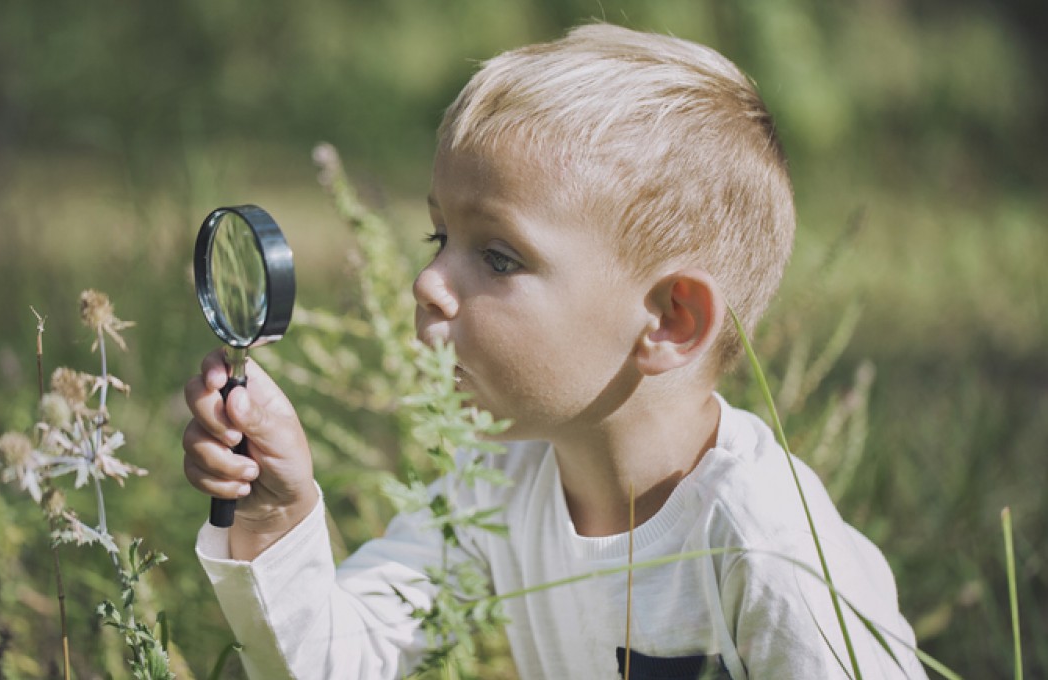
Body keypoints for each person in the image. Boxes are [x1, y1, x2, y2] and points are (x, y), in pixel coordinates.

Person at [183, 23, 926, 680]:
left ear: (670, 320)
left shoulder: (768, 548)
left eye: (499, 257)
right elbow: (336, 661)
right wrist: (274, 518)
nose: (427, 283)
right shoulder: (496, 488)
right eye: (438, 239)